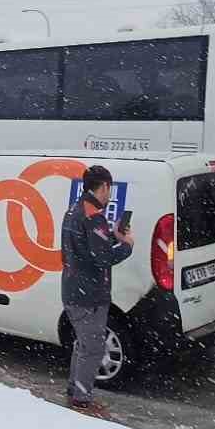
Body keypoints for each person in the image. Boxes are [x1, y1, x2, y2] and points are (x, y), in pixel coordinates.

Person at [61, 164, 135, 413]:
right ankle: (82, 400)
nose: (110, 194)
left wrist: (112, 235)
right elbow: (102, 258)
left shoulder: (75, 209)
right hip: (89, 294)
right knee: (93, 348)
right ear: (103, 186)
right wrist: (127, 245)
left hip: (74, 289)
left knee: (83, 345)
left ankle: (74, 390)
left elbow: (90, 245)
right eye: (109, 188)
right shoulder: (93, 215)